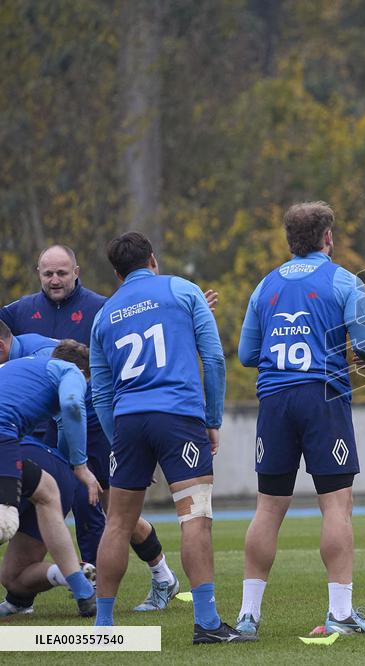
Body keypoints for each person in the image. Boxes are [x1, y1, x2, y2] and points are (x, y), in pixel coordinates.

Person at [0, 247, 185, 612]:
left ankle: (159, 574)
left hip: (95, 424)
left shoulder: (103, 307)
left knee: (108, 509)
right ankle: (24, 596)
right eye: (48, 273)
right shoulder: (18, 312)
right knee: (45, 502)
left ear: (77, 272)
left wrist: (182, 319)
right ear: (38, 272)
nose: (55, 280)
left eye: (62, 273)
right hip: (44, 430)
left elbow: (137, 341)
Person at [234, 201, 365, 637]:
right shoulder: (344, 281)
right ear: (328, 238)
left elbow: (247, 355)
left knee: (268, 508)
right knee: (336, 505)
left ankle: (248, 616)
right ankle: (339, 614)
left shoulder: (265, 286)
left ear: (289, 241)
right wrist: (363, 348)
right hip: (323, 397)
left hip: (275, 402)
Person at [89, 232, 250, 643]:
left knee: (118, 523)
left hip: (127, 423)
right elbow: (212, 358)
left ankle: (103, 626)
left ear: (117, 273)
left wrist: (118, 438)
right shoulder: (183, 290)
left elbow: (102, 392)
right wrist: (212, 417)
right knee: (195, 516)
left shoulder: (104, 314)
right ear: (153, 259)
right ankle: (208, 623)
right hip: (178, 417)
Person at [0, 340, 101, 617]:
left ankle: (83, 591)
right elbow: (71, 406)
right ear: (83, 372)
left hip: (8, 439)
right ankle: (82, 588)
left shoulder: (23, 366)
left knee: (46, 491)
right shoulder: (70, 371)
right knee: (4, 523)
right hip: (3, 435)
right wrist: (80, 465)